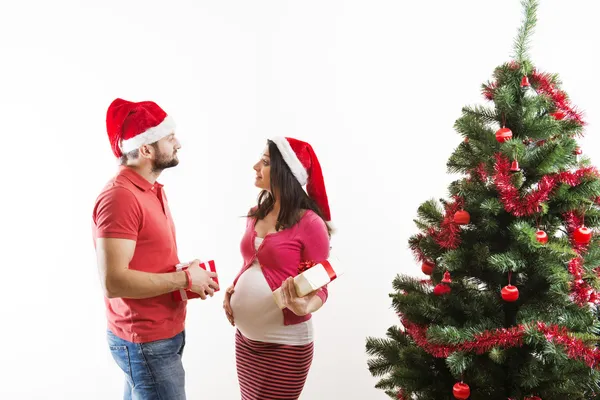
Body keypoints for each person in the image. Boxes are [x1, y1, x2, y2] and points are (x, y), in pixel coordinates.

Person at [92, 98, 219, 400]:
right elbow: (114, 282)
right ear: (146, 149)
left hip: (160, 336)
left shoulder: (150, 190)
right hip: (146, 343)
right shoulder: (121, 198)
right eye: (170, 137)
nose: (179, 143)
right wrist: (185, 280)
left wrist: (188, 273)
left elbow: (143, 261)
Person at [223, 137, 333, 400]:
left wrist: (306, 306)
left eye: (265, 162)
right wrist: (233, 289)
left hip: (285, 345)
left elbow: (321, 284)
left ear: (286, 172)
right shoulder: (256, 213)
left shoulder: (310, 223)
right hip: (246, 341)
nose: (255, 166)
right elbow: (253, 263)